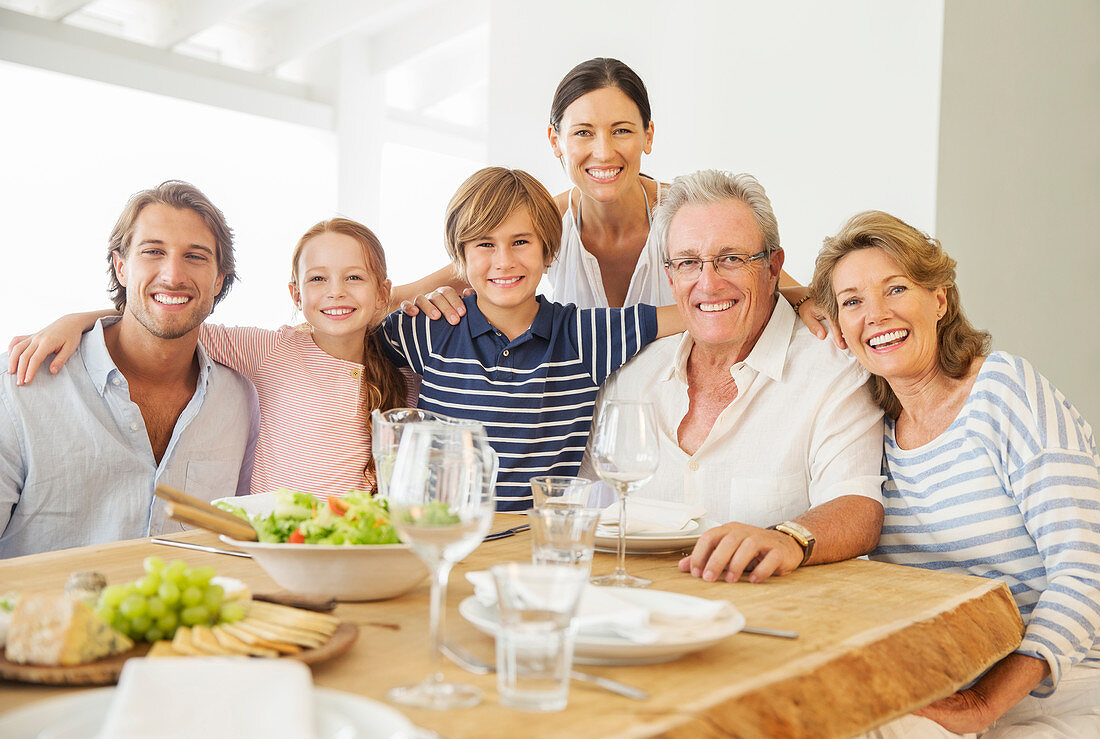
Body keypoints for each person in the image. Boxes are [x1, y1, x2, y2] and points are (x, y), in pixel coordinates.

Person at [810, 210, 1100, 737]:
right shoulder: (871, 431)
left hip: (1060, 687)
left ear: (939, 300)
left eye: (895, 289)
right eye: (852, 301)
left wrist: (986, 702)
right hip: (944, 682)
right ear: (838, 331)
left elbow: (1087, 572)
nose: (874, 314)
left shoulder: (1004, 391)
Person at [590, 169, 885, 583]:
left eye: (731, 259)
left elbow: (858, 507)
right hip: (643, 619)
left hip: (778, 629)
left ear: (773, 269)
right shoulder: (631, 377)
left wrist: (789, 539)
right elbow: (584, 507)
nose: (708, 283)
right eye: (689, 263)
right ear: (671, 276)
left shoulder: (834, 368)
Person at [399, 58, 826, 334]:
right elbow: (455, 273)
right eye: (583, 133)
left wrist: (808, 304)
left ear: (648, 135)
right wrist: (425, 301)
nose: (603, 152)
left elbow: (774, 285)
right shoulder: (539, 222)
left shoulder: (690, 212)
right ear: (555, 141)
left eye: (621, 130)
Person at [11, 219, 419, 499]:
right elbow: (167, 321)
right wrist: (77, 320)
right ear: (296, 295)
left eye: (354, 277)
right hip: (269, 548)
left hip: (357, 549)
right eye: (318, 279)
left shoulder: (408, 373)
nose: (335, 292)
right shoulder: (271, 351)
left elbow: (465, 276)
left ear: (383, 291)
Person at [380, 166, 684, 511]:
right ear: (461, 256)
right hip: (443, 535)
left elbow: (694, 312)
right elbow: (343, 343)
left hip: (538, 544)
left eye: (521, 242)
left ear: (549, 251)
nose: (504, 261)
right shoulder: (428, 327)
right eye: (485, 244)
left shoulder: (584, 336)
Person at [0, 181, 259, 558]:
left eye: (196, 256)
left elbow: (236, 545)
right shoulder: (21, 384)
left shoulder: (238, 400)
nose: (172, 275)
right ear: (121, 267)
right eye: (153, 251)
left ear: (219, 280)